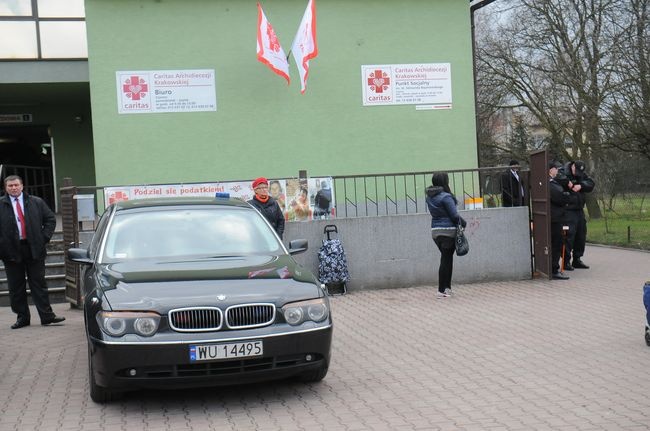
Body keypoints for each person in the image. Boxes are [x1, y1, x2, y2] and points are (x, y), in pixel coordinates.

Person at [0, 175, 65, 329]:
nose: (13, 188)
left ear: (22, 186)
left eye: (16, 185)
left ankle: (47, 316)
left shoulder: (36, 202)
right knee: (16, 287)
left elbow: (50, 219)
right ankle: (22, 318)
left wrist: (43, 238)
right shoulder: (1, 204)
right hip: (11, 251)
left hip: (34, 248)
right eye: (10, 186)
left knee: (39, 283)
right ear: (6, 188)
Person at [426, 172, 467, 298]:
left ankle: (447, 288)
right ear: (445, 181)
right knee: (446, 259)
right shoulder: (446, 197)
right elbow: (454, 216)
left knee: (447, 258)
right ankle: (441, 290)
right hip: (448, 231)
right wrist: (463, 223)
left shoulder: (430, 197)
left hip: (435, 231)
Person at [562, 160, 595, 269]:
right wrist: (570, 185)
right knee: (569, 236)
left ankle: (577, 259)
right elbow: (557, 182)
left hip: (579, 209)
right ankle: (565, 261)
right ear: (572, 167)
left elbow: (591, 183)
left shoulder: (581, 175)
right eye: (576, 171)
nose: (578, 175)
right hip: (568, 210)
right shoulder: (563, 172)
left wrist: (581, 185)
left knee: (581, 235)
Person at [548, 161, 577, 280]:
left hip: (556, 217)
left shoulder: (553, 182)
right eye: (556, 169)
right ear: (550, 170)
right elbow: (560, 196)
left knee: (557, 243)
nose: (557, 171)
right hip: (556, 218)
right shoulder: (550, 183)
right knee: (557, 244)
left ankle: (554, 268)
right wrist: (568, 196)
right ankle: (554, 270)